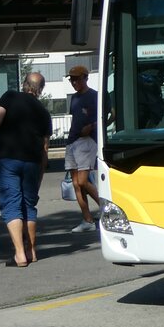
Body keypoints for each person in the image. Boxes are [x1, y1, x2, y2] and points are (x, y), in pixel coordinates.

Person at [0, 72, 51, 267]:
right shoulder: (44, 113)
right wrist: (40, 174)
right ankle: (32, 251)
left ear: (24, 84)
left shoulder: (10, 96)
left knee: (12, 203)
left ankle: (20, 254)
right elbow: (44, 149)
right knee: (29, 205)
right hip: (32, 163)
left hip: (7, 159)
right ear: (41, 89)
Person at [65, 65, 102, 233]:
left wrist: (93, 125)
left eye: (77, 79)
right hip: (72, 141)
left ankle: (107, 209)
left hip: (87, 141)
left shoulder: (95, 95)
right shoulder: (74, 98)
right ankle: (87, 219)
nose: (74, 82)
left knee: (82, 181)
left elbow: (110, 115)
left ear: (86, 78)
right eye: (72, 79)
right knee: (76, 184)